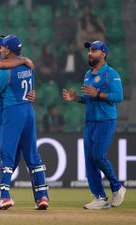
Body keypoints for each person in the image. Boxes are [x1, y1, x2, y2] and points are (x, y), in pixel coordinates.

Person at [0, 35, 49, 210]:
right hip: (28, 112)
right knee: (32, 155)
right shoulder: (27, 66)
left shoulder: (5, 71)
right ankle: (42, 197)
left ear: (8, 50)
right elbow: (28, 87)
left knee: (6, 156)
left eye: (3, 47)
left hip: (11, 113)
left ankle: (3, 197)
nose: (1, 50)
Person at [62, 40, 126, 209]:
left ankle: (117, 186)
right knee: (90, 161)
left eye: (94, 50)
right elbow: (89, 99)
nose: (90, 53)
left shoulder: (110, 74)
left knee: (98, 156)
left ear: (103, 53)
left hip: (106, 121)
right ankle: (100, 198)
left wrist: (97, 93)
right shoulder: (88, 74)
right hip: (90, 122)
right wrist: (76, 98)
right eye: (89, 50)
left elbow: (118, 96)